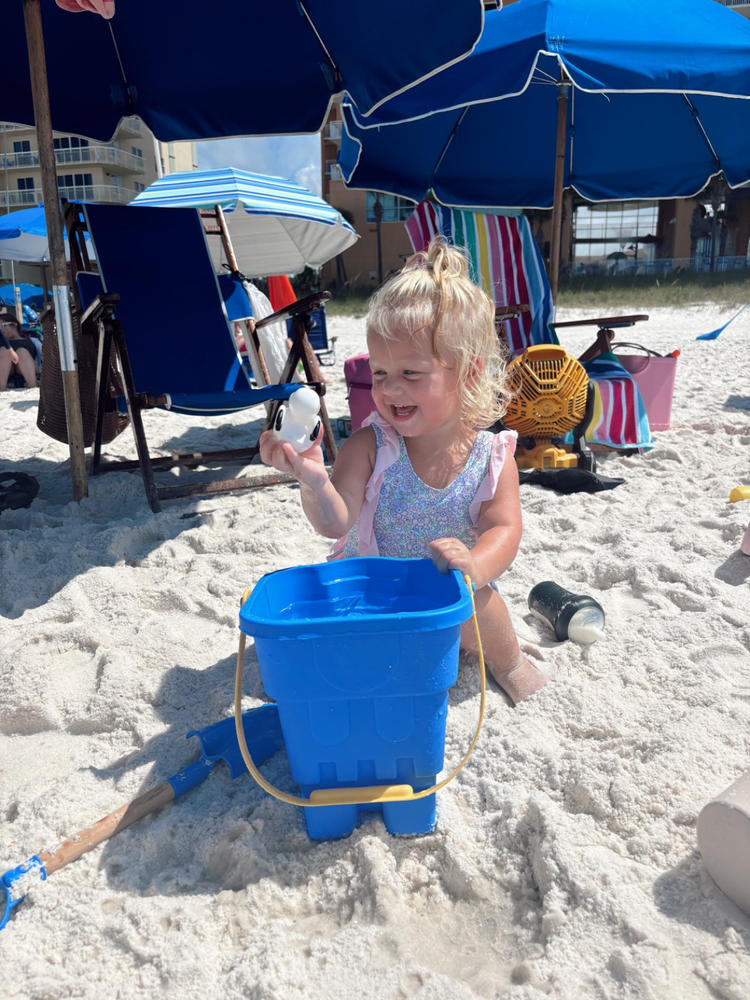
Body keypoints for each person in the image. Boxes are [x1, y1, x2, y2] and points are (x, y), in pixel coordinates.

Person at [259, 238, 548, 704]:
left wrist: (475, 565)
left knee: (486, 609)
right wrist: (313, 480)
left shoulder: (491, 456)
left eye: (411, 374)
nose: (391, 389)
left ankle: (510, 664)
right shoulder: (370, 446)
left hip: (442, 592)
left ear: (469, 373)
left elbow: (504, 530)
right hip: (371, 592)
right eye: (379, 373)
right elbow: (334, 522)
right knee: (332, 627)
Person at [0, 312, 38, 390]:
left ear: (13, 324)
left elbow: (43, 359)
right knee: (4, 350)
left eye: (1, 326)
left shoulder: (32, 340)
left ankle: (33, 387)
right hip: (5, 369)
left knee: (22, 352)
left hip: (26, 367)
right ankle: (1, 388)